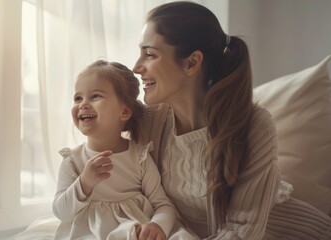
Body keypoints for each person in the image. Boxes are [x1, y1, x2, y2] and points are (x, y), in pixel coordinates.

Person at [132, 1, 331, 239]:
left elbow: (241, 230)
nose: (136, 67)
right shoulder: (149, 122)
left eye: (150, 54)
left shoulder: (253, 125)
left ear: (192, 62)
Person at [52, 60, 196, 240]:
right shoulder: (72, 160)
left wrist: (157, 225)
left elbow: (163, 205)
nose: (83, 104)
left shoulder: (139, 157)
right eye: (78, 98)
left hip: (136, 233)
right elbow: (61, 212)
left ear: (124, 112)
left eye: (95, 96)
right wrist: (84, 183)